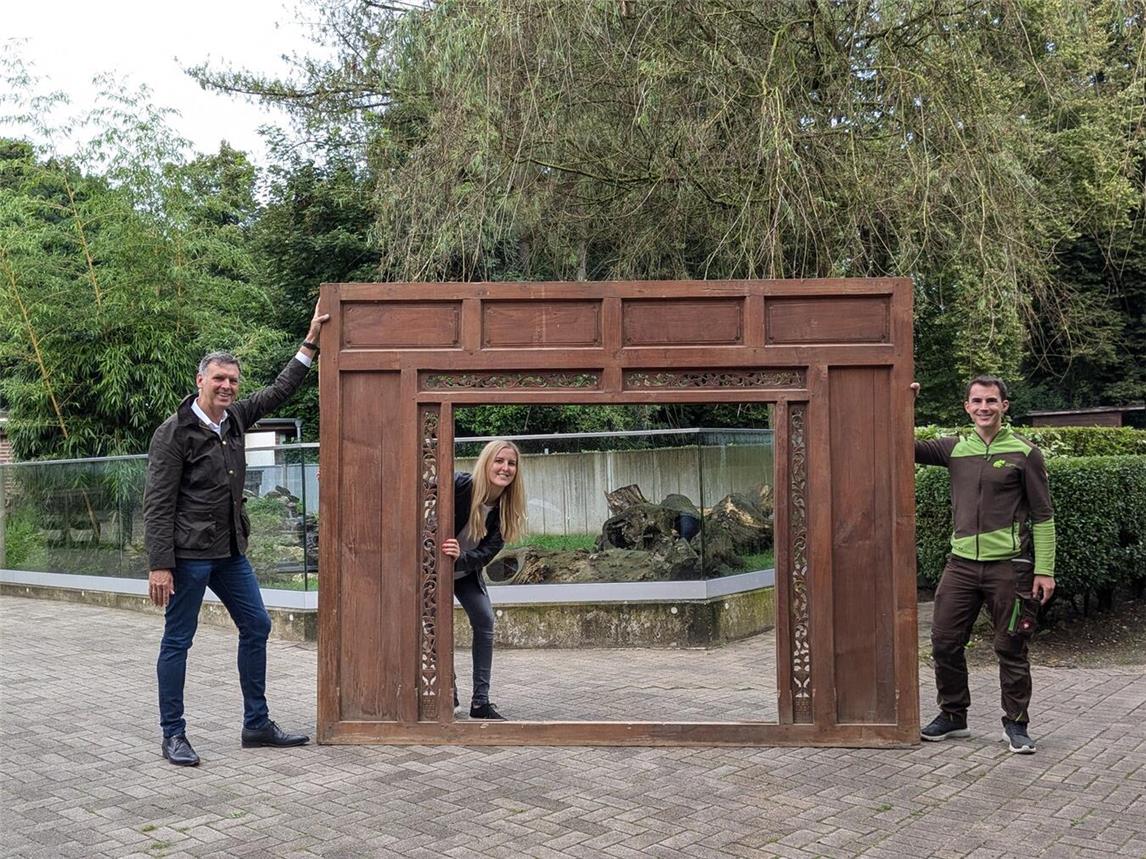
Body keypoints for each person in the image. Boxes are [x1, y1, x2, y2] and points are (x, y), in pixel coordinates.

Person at [144, 300, 328, 766]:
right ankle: (173, 735)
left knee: (257, 625)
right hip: (187, 556)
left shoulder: (236, 420)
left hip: (229, 551)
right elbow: (159, 503)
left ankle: (256, 724)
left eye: (232, 380)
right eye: (218, 379)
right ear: (200, 381)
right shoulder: (175, 433)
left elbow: (280, 390)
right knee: (178, 641)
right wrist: (159, 564)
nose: (227, 386)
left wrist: (310, 342)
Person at [912, 376, 1056, 754]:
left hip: (1009, 567)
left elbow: (1043, 516)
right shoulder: (954, 449)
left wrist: (1045, 570)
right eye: (976, 401)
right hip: (960, 566)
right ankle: (954, 716)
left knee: (1011, 646)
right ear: (967, 407)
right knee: (944, 641)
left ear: (1004, 406)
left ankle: (1016, 724)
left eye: (991, 400)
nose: (984, 407)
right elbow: (902, 445)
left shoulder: (1025, 453)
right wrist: (905, 399)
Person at [442, 439, 526, 721]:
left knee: (485, 619)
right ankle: (447, 690)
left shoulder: (506, 508)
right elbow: (409, 482)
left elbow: (486, 554)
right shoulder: (460, 484)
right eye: (499, 461)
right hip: (431, 572)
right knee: (435, 625)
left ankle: (480, 702)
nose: (505, 468)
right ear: (487, 462)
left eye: (511, 463)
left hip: (465, 572)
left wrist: (458, 559)